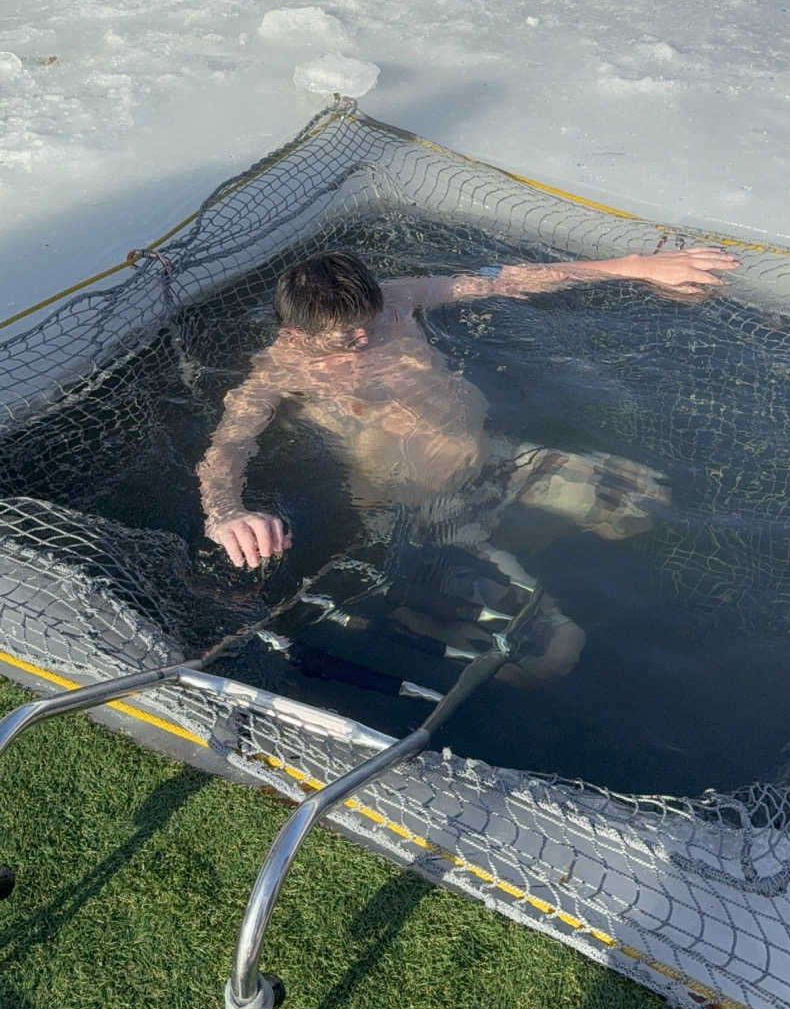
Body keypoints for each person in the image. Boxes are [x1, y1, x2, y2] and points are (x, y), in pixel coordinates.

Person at [197, 244, 737, 683]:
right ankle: (406, 608)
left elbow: (504, 279)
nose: (366, 338)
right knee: (552, 655)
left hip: (498, 460)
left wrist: (634, 266)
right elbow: (227, 447)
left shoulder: (395, 302)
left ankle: (521, 544)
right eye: (346, 338)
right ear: (296, 333)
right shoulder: (276, 373)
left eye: (369, 320)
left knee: (648, 503)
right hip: (424, 519)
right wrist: (225, 513)